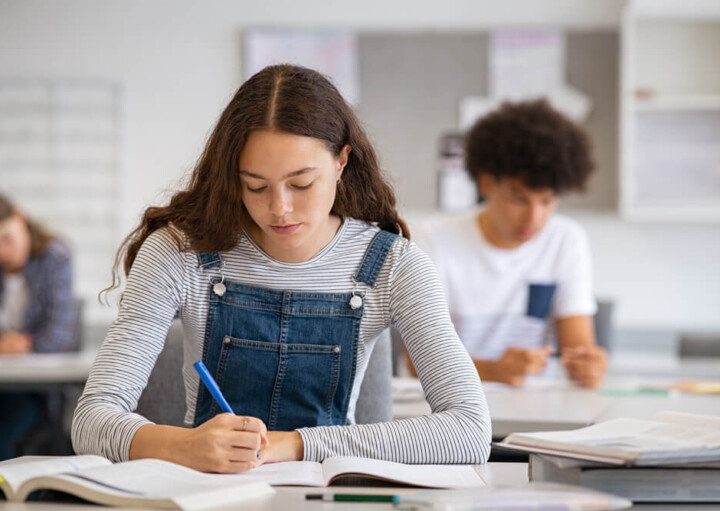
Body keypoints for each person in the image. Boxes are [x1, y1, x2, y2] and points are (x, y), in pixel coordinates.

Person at [72, 64, 491, 473]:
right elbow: (91, 420)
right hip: (207, 493)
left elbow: (470, 431)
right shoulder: (178, 252)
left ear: (342, 162)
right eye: (255, 185)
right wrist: (182, 445)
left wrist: (295, 444)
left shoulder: (394, 265)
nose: (279, 208)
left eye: (301, 184)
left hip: (328, 495)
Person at [415, 100, 607, 389]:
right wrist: (494, 370)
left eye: (546, 201)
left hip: (536, 409)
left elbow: (577, 347)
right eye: (520, 199)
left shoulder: (565, 240)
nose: (534, 217)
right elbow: (416, 361)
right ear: (486, 184)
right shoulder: (434, 241)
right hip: (452, 407)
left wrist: (587, 365)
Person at [0, 194, 76, 460]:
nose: (3, 252)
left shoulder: (55, 258)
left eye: (7, 238)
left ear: (20, 218)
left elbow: (59, 336)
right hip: (4, 381)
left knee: (6, 427)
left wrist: (23, 343)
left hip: (35, 390)